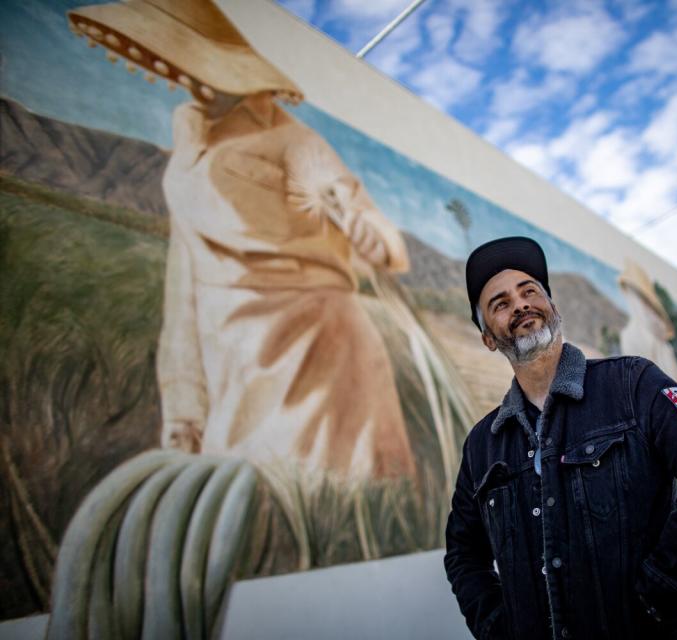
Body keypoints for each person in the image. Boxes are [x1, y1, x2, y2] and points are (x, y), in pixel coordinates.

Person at [68, 0, 416, 481]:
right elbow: (182, 283)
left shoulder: (293, 138)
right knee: (232, 498)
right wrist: (183, 407)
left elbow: (365, 219)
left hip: (314, 347)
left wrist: (370, 236)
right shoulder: (187, 142)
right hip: (231, 353)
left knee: (315, 494)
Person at [444, 236, 677, 639]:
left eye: (529, 291)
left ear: (553, 308)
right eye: (500, 304)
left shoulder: (633, 383)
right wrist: (497, 627)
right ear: (489, 337)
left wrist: (658, 593)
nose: (520, 305)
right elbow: (463, 553)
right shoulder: (481, 446)